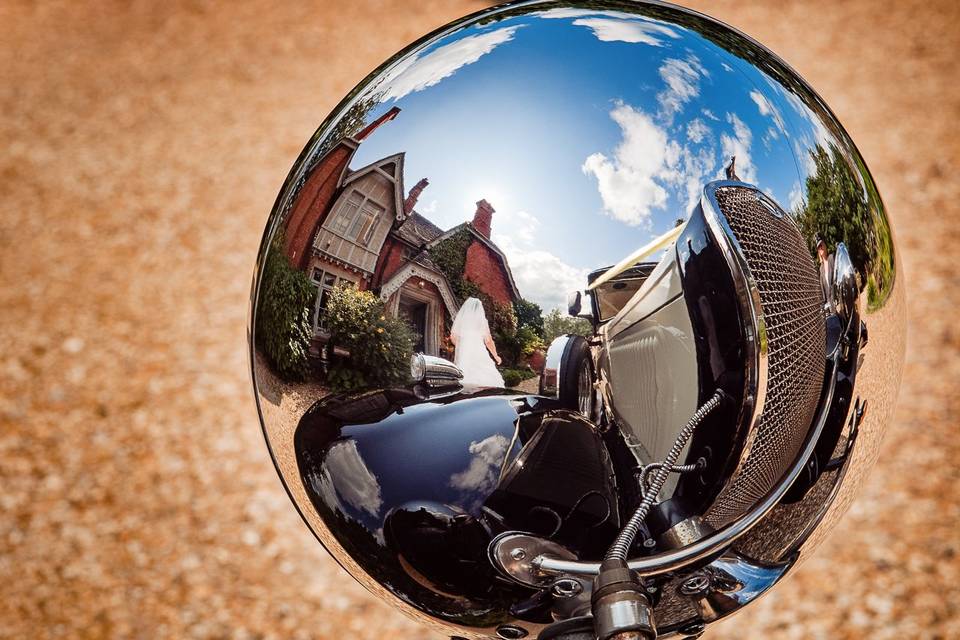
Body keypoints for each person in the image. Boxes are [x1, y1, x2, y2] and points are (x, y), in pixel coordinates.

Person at [450, 297, 504, 387]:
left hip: (465, 353)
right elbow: (488, 341)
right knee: (485, 374)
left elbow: (453, 337)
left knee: (465, 375)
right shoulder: (482, 321)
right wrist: (495, 355)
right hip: (479, 350)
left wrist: (462, 346)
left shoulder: (463, 320)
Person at [816, 234, 836, 313]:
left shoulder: (831, 258)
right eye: (819, 247)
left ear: (825, 245)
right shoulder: (821, 269)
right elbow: (822, 289)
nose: (821, 248)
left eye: (822, 245)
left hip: (838, 301)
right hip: (830, 307)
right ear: (818, 251)